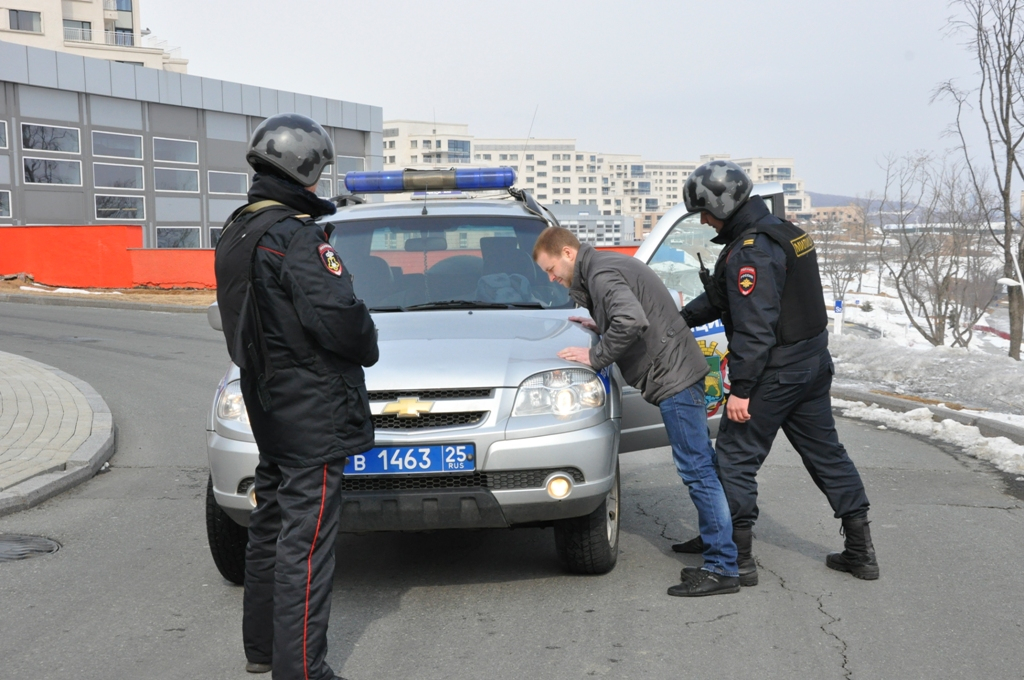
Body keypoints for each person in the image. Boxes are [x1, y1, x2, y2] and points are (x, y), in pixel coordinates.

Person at [214, 113, 379, 679]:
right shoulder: (295, 235)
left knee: (270, 523)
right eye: (318, 171)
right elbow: (338, 317)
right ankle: (303, 670)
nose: (319, 183)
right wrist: (367, 337)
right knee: (306, 544)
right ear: (304, 166)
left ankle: (263, 650)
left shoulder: (239, 228)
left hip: (268, 399)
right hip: (311, 405)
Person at [673, 159, 879, 584]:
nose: (705, 220)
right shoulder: (784, 232)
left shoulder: (753, 250)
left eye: (706, 212)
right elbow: (726, 300)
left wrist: (742, 390)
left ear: (726, 205)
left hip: (775, 372)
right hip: (811, 364)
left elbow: (755, 327)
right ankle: (861, 552)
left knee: (733, 458)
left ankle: (734, 560)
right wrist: (679, 319)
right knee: (826, 453)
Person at [533, 227, 740, 597]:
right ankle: (719, 544)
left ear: (567, 253)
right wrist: (599, 325)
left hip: (674, 377)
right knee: (702, 466)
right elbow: (632, 312)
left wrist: (595, 355)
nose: (552, 278)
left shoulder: (599, 274)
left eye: (551, 269)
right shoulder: (605, 266)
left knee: (697, 470)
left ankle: (723, 565)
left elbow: (631, 320)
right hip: (679, 370)